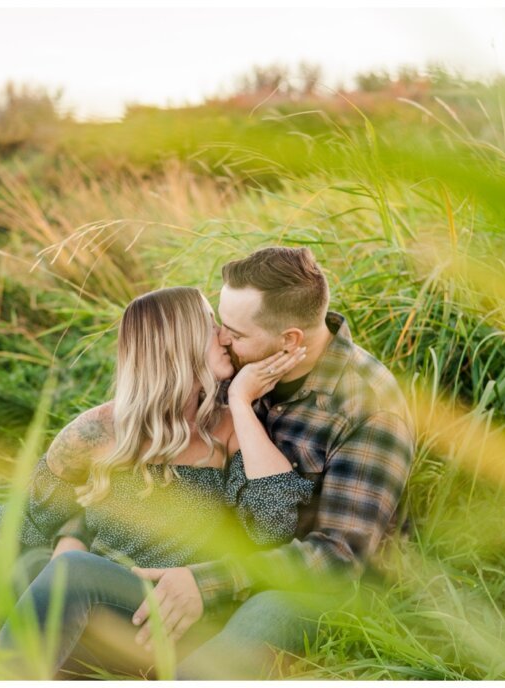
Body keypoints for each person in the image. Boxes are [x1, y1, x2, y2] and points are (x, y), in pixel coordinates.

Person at [0, 286, 317, 677]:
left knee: (71, 570)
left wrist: (240, 403)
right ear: (177, 345)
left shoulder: (227, 430)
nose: (224, 336)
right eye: (209, 326)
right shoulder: (96, 431)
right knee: (34, 566)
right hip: (104, 610)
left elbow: (273, 529)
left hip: (177, 617)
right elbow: (24, 520)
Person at [127, 246, 415, 679]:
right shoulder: (236, 367)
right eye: (220, 325)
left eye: (235, 333)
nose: (221, 340)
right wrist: (74, 528)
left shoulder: (368, 407)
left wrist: (208, 582)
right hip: (221, 558)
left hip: (312, 592)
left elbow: (337, 558)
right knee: (55, 575)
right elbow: (134, 430)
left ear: (290, 340)